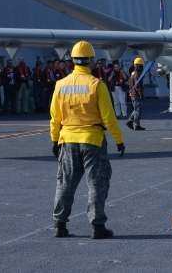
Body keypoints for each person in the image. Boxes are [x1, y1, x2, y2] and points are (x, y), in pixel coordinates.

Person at [50, 41, 125, 239]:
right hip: (92, 139)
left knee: (65, 183)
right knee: (96, 183)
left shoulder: (60, 85)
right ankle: (97, 226)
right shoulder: (96, 85)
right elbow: (109, 117)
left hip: (67, 139)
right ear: (91, 61)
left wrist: (55, 140)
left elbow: (54, 117)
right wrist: (119, 140)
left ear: (73, 61)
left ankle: (59, 225)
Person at [127, 57, 145, 130]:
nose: (142, 67)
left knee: (135, 109)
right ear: (138, 66)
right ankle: (136, 125)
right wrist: (141, 95)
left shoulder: (133, 73)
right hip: (136, 94)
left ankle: (130, 121)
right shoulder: (137, 74)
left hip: (133, 94)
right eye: (141, 65)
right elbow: (138, 85)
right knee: (138, 110)